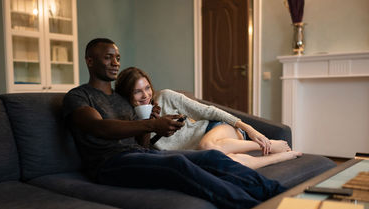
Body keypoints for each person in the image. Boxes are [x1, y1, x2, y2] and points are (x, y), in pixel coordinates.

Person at [63, 37, 286, 209]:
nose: (115, 63)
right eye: (108, 57)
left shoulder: (123, 100)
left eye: (118, 57)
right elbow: (99, 128)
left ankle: (282, 194)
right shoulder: (79, 96)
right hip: (108, 165)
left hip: (138, 154)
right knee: (178, 164)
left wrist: (151, 124)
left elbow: (143, 145)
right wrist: (150, 125)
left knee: (212, 158)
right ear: (90, 61)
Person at [115, 67, 302, 169]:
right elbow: (143, 151)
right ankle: (280, 157)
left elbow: (211, 112)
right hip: (209, 152)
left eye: (147, 88)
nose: (146, 95)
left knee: (206, 146)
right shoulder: (132, 123)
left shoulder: (164, 97)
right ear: (127, 95)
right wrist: (149, 123)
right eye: (137, 91)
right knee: (230, 164)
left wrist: (250, 130)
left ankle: (269, 144)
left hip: (215, 130)